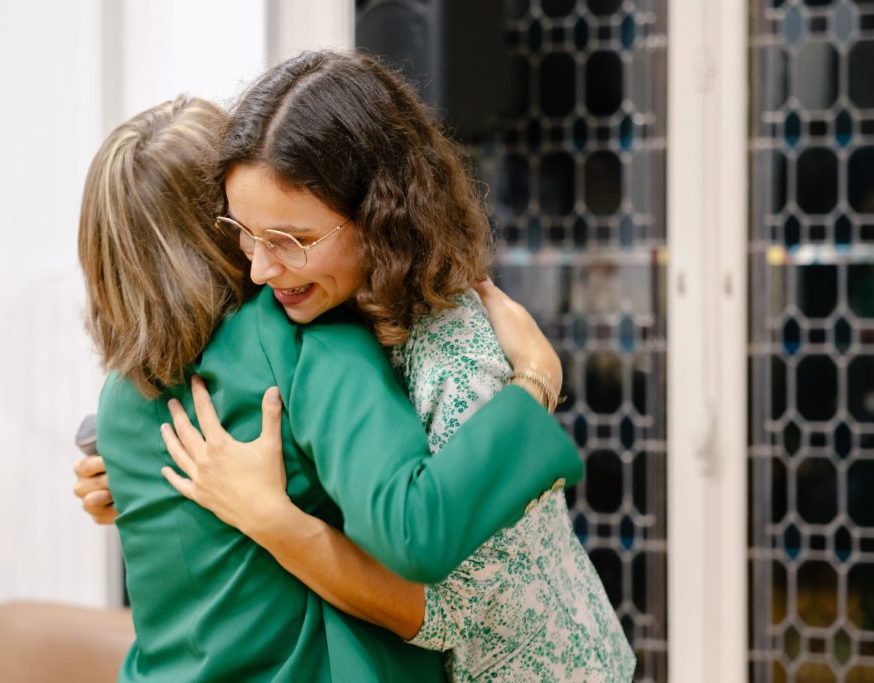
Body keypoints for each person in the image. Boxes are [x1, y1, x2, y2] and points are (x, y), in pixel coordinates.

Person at [81, 50, 635, 682]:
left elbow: (442, 592)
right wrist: (537, 378)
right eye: (244, 230)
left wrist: (265, 517)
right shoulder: (302, 342)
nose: (261, 267)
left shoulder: (125, 396)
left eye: (289, 237)